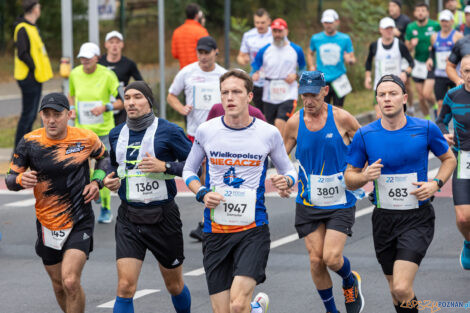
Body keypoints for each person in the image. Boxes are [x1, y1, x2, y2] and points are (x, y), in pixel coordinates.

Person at [182, 69, 297, 313]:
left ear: (250, 97)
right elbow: (189, 171)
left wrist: (286, 181)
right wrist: (202, 192)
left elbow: (289, 169)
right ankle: (255, 310)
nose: (230, 97)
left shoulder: (268, 133)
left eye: (236, 92)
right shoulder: (207, 130)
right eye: (225, 93)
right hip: (215, 231)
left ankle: (247, 308)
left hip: (252, 229)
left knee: (236, 305)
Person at [345, 74, 456, 313]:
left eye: (393, 94)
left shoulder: (425, 128)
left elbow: (449, 159)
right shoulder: (365, 135)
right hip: (384, 219)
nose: (387, 99)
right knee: (395, 290)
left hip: (417, 217)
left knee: (403, 287)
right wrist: (364, 176)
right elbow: (349, 178)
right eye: (382, 95)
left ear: (404, 98)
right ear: (377, 100)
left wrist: (436, 183)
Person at [6, 92, 109, 313]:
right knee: (59, 285)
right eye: (47, 114)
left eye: (57, 114)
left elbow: (105, 158)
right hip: (47, 223)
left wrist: (97, 181)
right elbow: (10, 179)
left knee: (70, 280)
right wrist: (21, 179)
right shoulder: (30, 142)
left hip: (79, 219)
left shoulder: (85, 138)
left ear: (69, 115)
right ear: (41, 116)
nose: (52, 120)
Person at [104, 81, 192, 313]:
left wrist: (165, 165)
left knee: (174, 285)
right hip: (129, 217)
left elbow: (195, 164)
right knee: (125, 286)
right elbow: (112, 165)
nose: (131, 102)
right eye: (128, 97)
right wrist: (108, 178)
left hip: (163, 217)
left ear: (149, 101)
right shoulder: (116, 133)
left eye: (138, 97)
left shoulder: (169, 131)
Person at [282, 71, 364, 313]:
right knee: (316, 260)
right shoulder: (294, 123)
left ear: (325, 91)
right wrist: (284, 179)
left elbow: (363, 149)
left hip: (340, 201)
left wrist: (357, 174)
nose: (309, 101)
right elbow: (281, 156)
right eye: (304, 95)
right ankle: (332, 310)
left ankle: (350, 281)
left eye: (314, 95)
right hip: (309, 202)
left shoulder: (342, 118)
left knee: (331, 258)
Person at [68, 42, 123, 224]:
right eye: (82, 58)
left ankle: (106, 208)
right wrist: (71, 108)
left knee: (104, 170)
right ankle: (93, 192)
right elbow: (71, 95)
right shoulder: (75, 74)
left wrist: (105, 107)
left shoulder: (108, 75)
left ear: (97, 58)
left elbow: (121, 101)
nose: (84, 61)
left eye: (88, 58)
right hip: (82, 132)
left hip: (103, 132)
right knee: (82, 171)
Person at [436, 54, 470, 270]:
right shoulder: (453, 95)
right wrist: (442, 134)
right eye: (466, 70)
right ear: (460, 73)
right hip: (463, 159)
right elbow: (441, 120)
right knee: (464, 217)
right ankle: (468, 242)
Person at [168, 36, 227, 143]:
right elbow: (171, 96)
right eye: (200, 53)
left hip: (218, 132)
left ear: (216, 52)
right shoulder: (187, 72)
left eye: (207, 53)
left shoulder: (223, 74)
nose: (203, 57)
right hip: (194, 132)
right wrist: (181, 108)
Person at [252, 18, 305, 134]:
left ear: (286, 31)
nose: (277, 34)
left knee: (280, 122)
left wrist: (296, 75)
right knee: (270, 128)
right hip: (269, 94)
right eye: (275, 31)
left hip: (288, 93)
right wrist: (255, 75)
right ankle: (280, 150)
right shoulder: (264, 50)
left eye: (280, 31)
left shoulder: (296, 50)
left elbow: (303, 69)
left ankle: (281, 151)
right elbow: (254, 69)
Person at [13, 0, 53, 149]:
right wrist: (34, 67)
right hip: (29, 77)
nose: (40, 9)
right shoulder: (22, 28)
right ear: (34, 9)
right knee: (27, 116)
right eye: (38, 7)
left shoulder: (32, 27)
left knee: (31, 116)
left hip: (36, 77)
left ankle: (25, 149)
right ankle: (19, 151)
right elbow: (23, 53)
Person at [365, 17, 414, 118]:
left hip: (396, 86)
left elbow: (411, 62)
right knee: (379, 116)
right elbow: (368, 62)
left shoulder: (399, 44)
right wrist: (367, 77)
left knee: (398, 117)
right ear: (380, 30)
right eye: (386, 29)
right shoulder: (375, 45)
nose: (389, 31)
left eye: (391, 28)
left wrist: (405, 72)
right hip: (379, 86)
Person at [307, 9, 356, 108]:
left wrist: (349, 60)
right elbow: (309, 53)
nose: (328, 25)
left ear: (337, 22)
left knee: (338, 110)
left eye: (330, 22)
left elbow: (352, 58)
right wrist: (311, 66)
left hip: (339, 78)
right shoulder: (316, 38)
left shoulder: (345, 38)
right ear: (322, 23)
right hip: (322, 80)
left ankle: (336, 124)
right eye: (326, 22)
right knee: (323, 110)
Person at [99, 30, 143, 125]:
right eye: (111, 42)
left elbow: (141, 84)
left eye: (117, 42)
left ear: (122, 44)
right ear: (106, 44)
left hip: (122, 105)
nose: (114, 45)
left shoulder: (129, 64)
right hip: (103, 104)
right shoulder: (99, 63)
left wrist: (129, 89)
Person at [405, 2, 440, 119]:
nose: (420, 13)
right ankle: (428, 120)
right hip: (417, 64)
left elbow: (442, 39)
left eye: (423, 10)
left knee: (426, 94)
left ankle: (436, 105)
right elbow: (407, 47)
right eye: (418, 10)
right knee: (420, 97)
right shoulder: (411, 27)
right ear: (415, 13)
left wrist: (435, 46)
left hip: (431, 62)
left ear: (427, 13)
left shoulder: (435, 25)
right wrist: (411, 45)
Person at [426, 10, 462, 115]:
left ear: (451, 21)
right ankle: (440, 130)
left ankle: (459, 129)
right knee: (440, 103)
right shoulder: (434, 36)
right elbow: (432, 51)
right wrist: (430, 59)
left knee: (457, 104)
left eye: (446, 21)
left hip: (454, 74)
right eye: (442, 21)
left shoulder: (458, 36)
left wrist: (453, 58)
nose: (444, 23)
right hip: (440, 74)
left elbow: (464, 53)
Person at [237, 8, 272, 113]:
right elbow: (240, 56)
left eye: (262, 22)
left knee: (272, 112)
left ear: (269, 21)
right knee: (260, 112)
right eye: (257, 22)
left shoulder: (276, 34)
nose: (259, 25)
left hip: (273, 79)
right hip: (256, 79)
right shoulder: (248, 35)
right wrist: (243, 60)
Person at [171, 3, 209, 69]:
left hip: (183, 71)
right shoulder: (201, 31)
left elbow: (175, 54)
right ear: (197, 16)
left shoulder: (177, 31)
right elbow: (208, 52)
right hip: (198, 71)